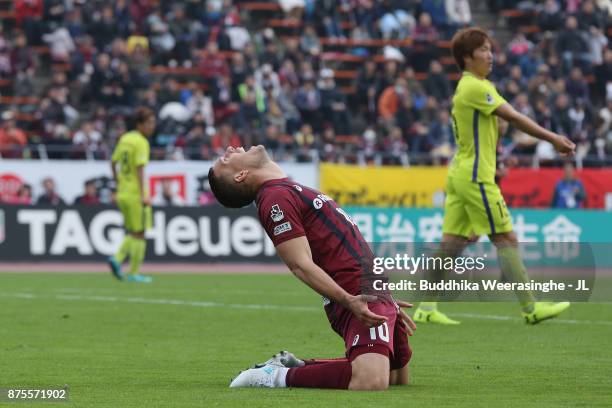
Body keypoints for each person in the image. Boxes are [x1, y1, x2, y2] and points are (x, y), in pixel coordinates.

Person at [208, 145, 416, 390]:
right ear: (240, 175)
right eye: (226, 157)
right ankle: (272, 377)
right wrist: (348, 300)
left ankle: (298, 366)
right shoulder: (274, 198)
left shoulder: (286, 189)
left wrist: (384, 295)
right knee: (371, 380)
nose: (232, 148)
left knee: (396, 377)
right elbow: (300, 264)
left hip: (372, 290)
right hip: (354, 293)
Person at [412, 27, 576, 325]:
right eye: (483, 50)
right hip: (475, 176)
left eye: (490, 49)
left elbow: (497, 126)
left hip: (460, 172)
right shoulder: (476, 87)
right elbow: (512, 116)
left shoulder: (469, 87)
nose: (490, 55)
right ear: (467, 57)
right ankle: (531, 309)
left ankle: (426, 306)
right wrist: (552, 138)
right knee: (506, 237)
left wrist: (499, 130)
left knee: (451, 244)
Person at [107, 107, 156, 283]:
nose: (152, 126)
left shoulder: (125, 139)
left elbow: (113, 162)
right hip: (136, 193)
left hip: (123, 193)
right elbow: (139, 168)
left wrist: (118, 183)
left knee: (133, 232)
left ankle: (117, 259)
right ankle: (132, 271)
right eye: (150, 123)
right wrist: (144, 194)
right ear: (140, 124)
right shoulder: (141, 142)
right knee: (140, 232)